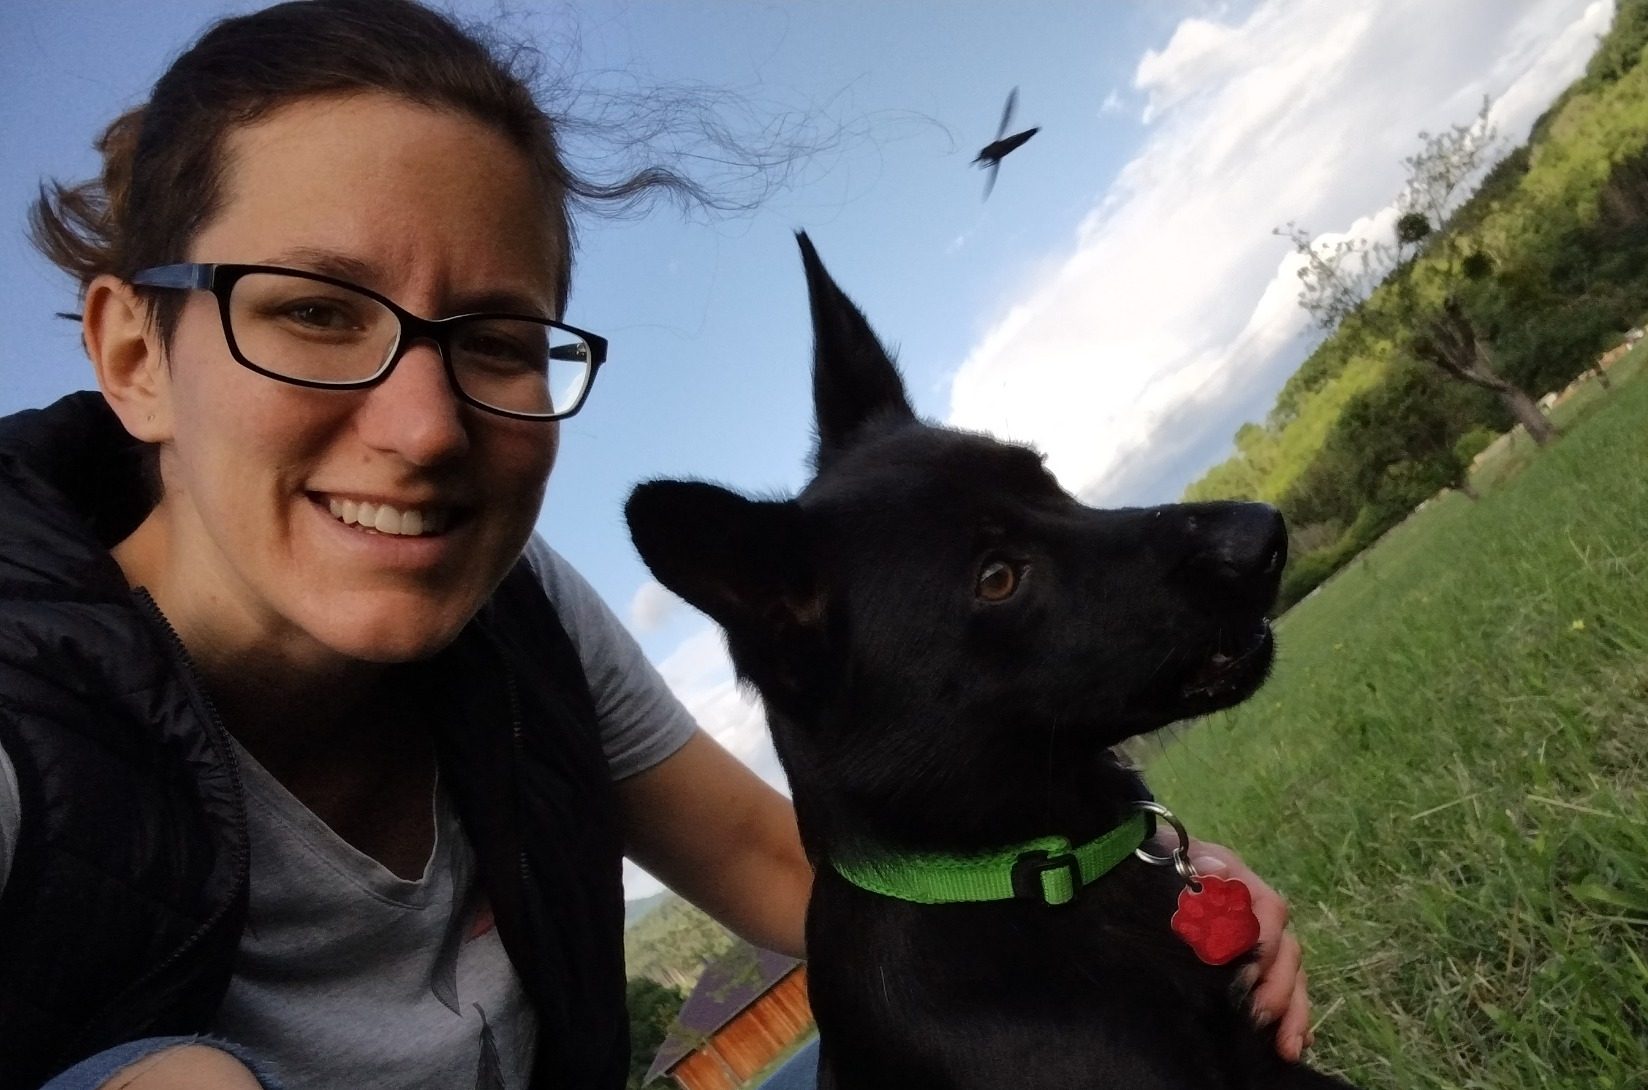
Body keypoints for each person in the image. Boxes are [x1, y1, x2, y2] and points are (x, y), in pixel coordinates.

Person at [0, 3, 1315, 1088]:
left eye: (499, 338)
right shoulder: (23, 723)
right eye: (312, 313)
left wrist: (1142, 887)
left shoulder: (516, 612)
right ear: (134, 357)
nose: (422, 427)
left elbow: (789, 865)